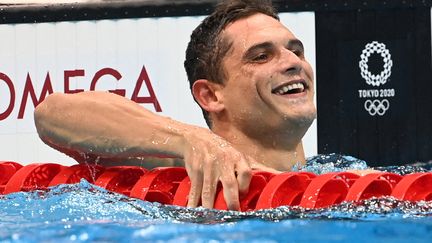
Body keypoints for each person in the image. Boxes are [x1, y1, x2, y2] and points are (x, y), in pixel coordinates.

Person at [34, 0, 317, 211]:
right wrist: (189, 138)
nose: (294, 62)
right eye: (261, 56)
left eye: (296, 51)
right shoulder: (177, 175)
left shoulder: (334, 177)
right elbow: (52, 114)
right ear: (210, 96)